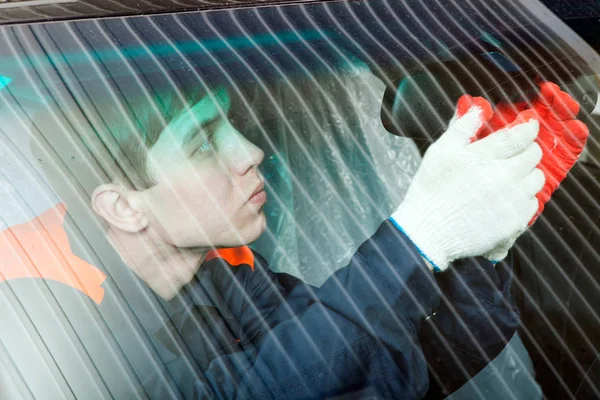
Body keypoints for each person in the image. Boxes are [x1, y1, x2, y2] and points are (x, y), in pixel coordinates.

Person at [14, 82, 542, 399]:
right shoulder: (36, 321)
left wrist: (476, 250)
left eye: (232, 127)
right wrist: (417, 239)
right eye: (202, 143)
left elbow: (371, 366)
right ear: (124, 208)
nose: (250, 152)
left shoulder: (229, 274)